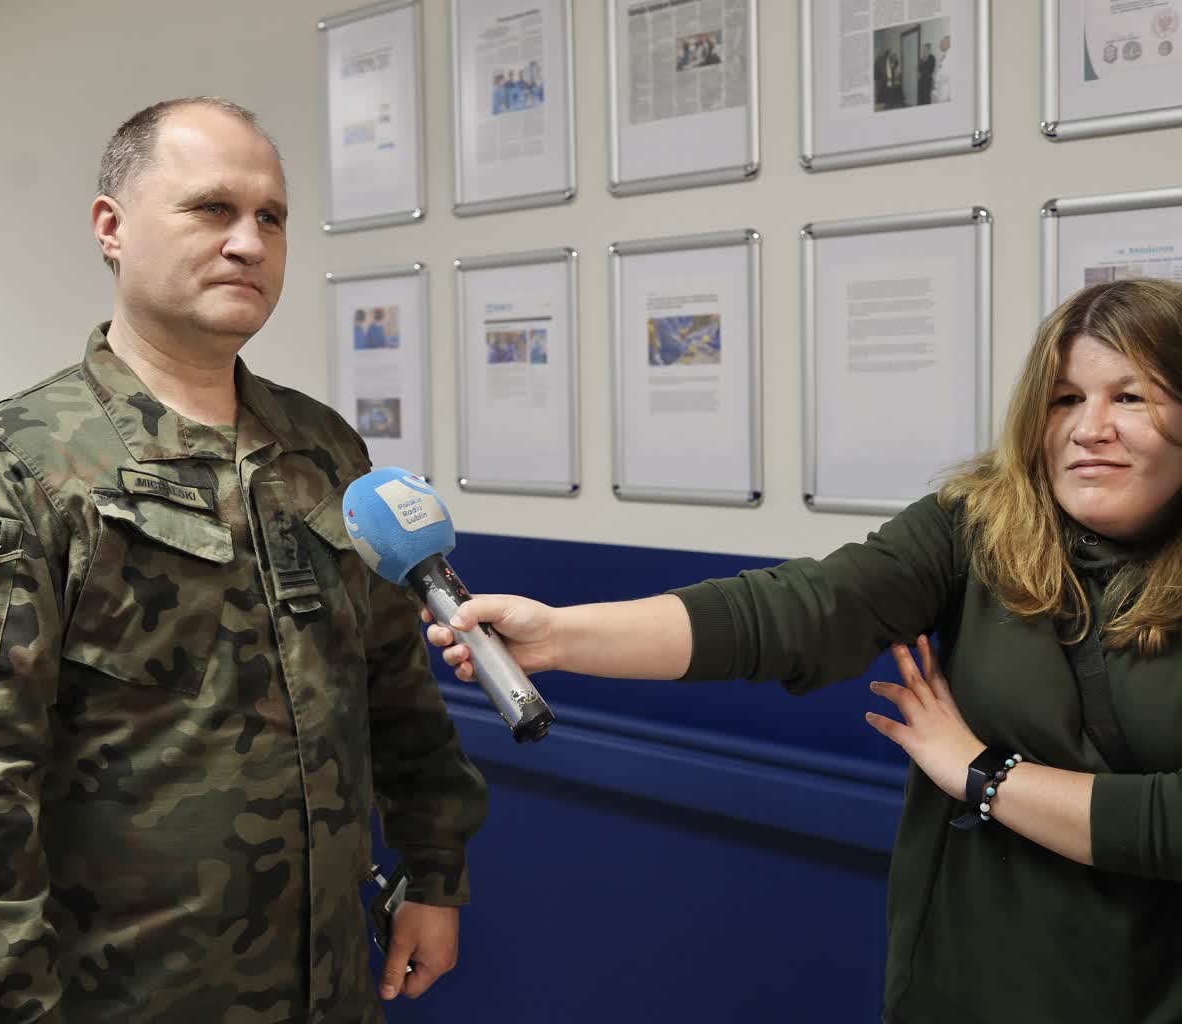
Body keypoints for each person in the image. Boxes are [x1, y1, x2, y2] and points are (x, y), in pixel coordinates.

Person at [427, 277, 1182, 1021]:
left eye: (1130, 397)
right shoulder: (978, 527)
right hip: (971, 988)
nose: (1090, 429)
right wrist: (562, 635)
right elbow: (798, 610)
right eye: (1065, 398)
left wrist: (982, 773)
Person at [0, 97, 487, 1024]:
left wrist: (434, 871)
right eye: (211, 209)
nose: (249, 242)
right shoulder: (19, 467)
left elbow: (394, 683)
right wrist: (16, 1002)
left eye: (271, 217)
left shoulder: (324, 448)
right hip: (123, 996)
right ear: (111, 228)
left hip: (332, 986)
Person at [932, 34, 953, 103]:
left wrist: (937, 79)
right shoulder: (944, 55)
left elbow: (945, 75)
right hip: (941, 89)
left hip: (945, 91)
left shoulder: (950, 56)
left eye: (942, 42)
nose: (940, 45)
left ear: (948, 43)